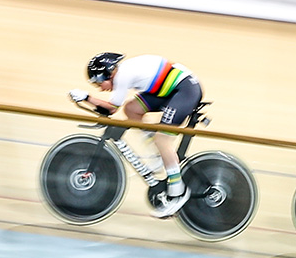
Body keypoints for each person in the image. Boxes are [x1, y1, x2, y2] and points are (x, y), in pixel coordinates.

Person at [69, 52, 200, 217]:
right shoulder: (122, 72)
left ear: (107, 74)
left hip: (184, 90)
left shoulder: (122, 75)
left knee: (162, 139)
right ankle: (161, 155)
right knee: (132, 109)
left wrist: (87, 97)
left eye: (99, 83)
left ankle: (177, 192)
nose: (101, 88)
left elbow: (111, 108)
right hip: (169, 89)